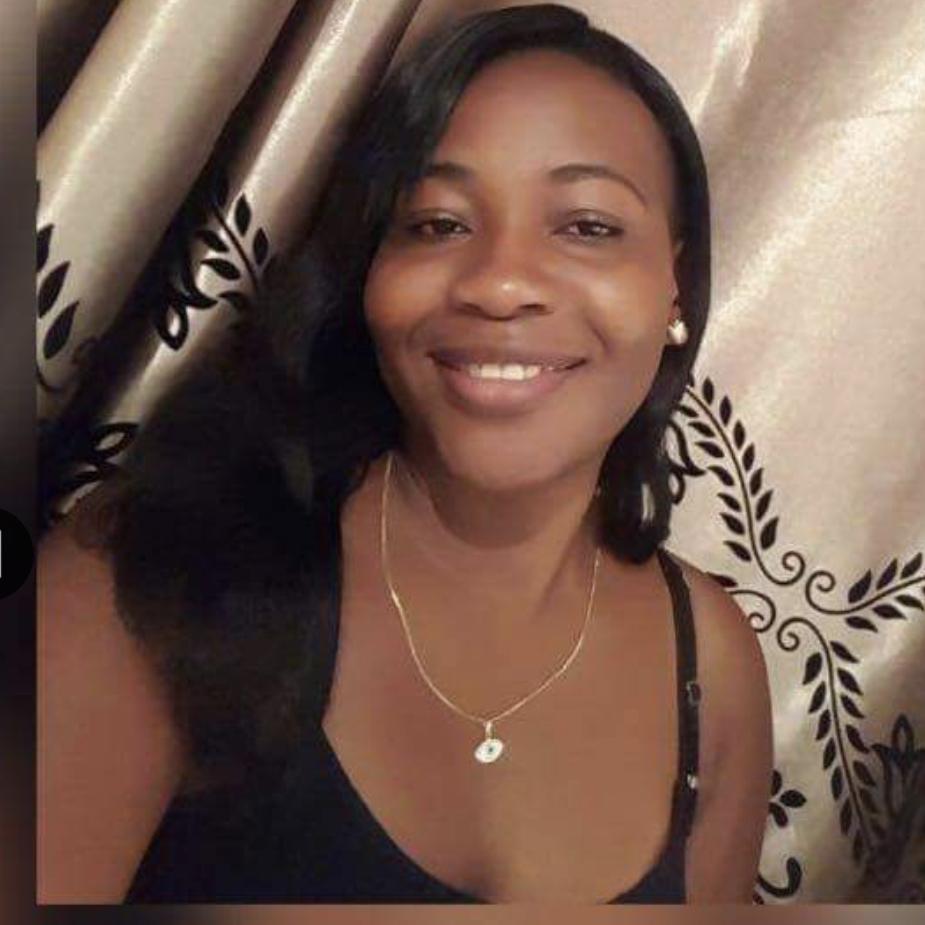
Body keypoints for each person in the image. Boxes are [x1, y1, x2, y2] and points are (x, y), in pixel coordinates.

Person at [38, 3, 774, 904]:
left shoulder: (714, 667)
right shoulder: (150, 573)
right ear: (368, 274)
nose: (500, 282)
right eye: (436, 222)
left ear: (675, 288)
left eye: (586, 225)